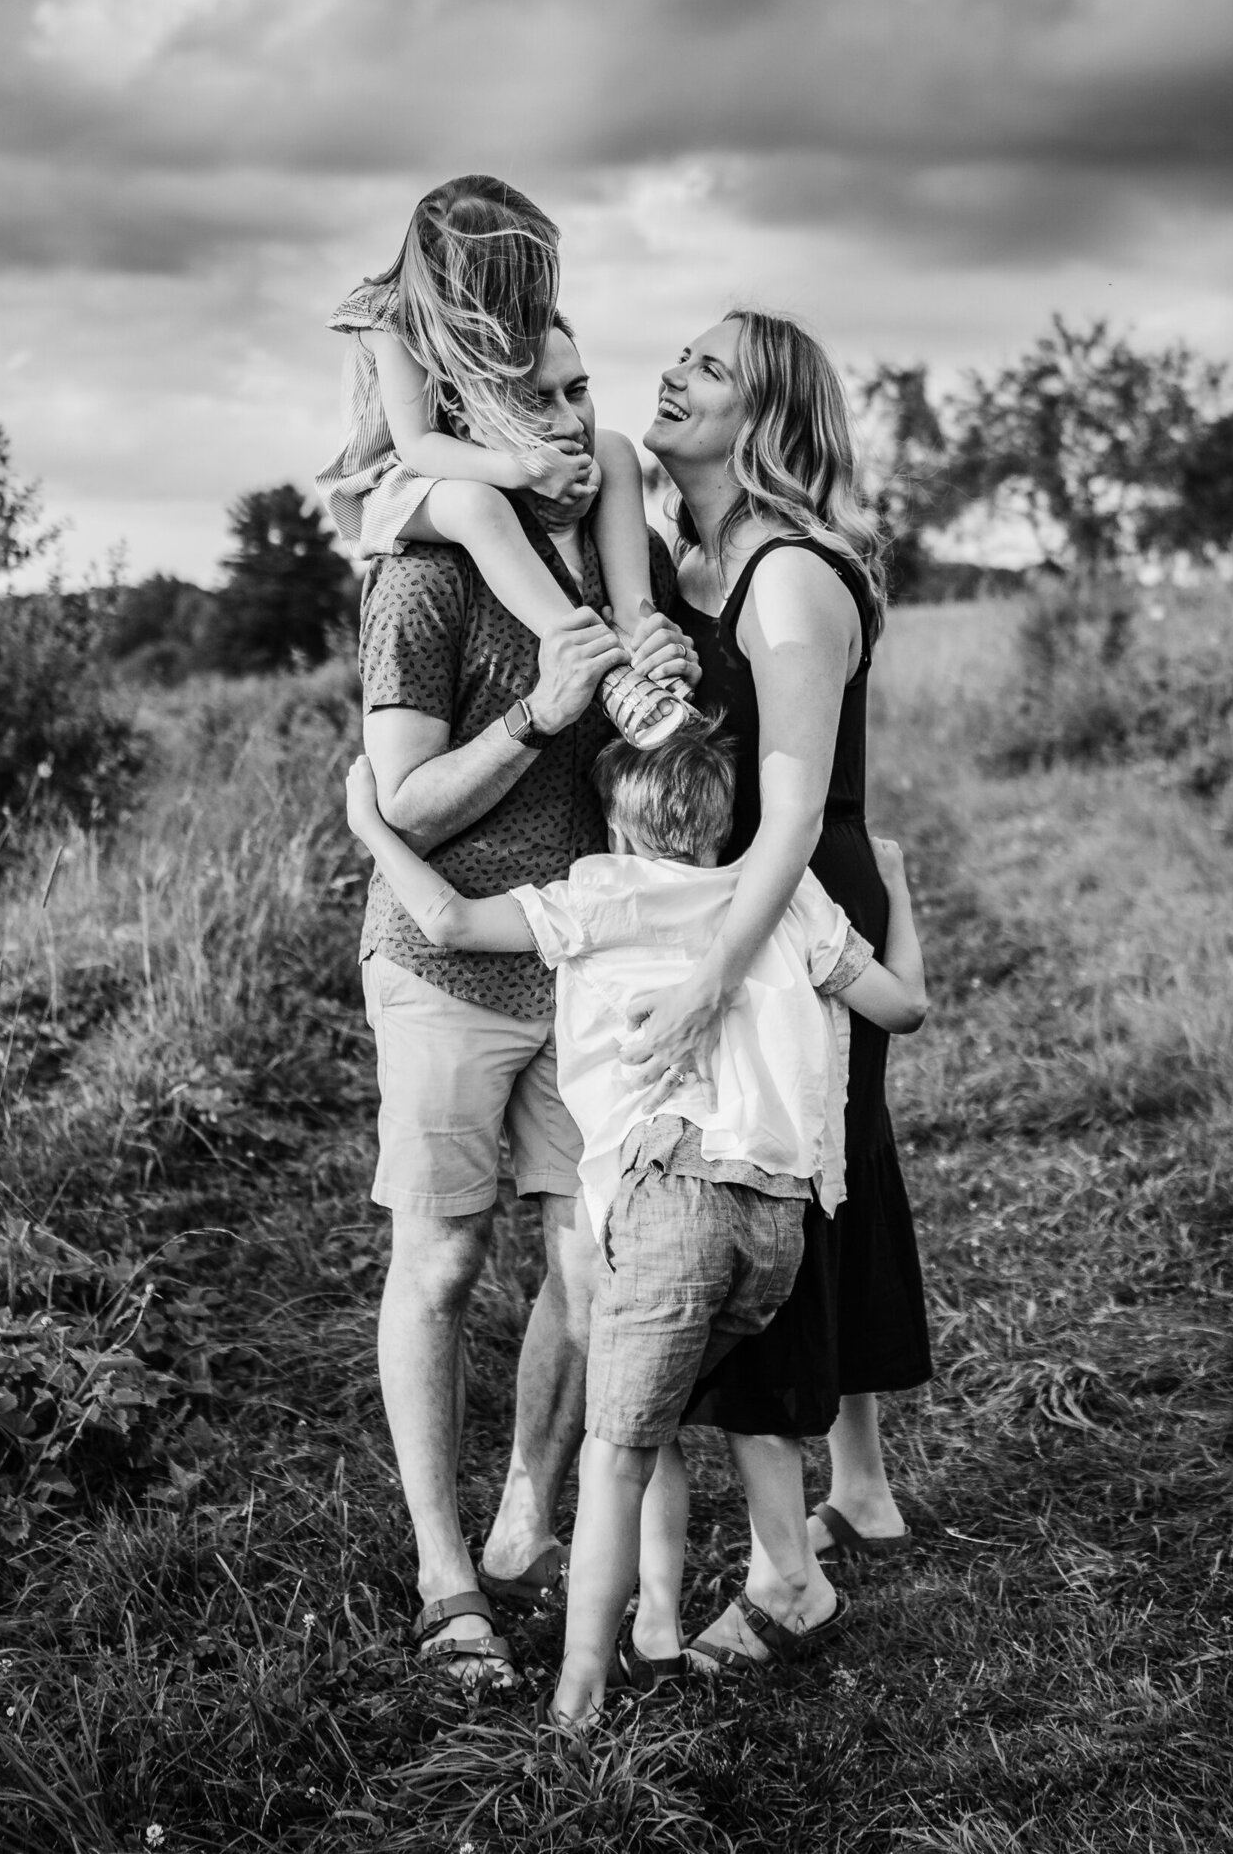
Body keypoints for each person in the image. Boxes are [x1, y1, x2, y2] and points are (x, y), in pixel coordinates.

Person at [345, 722, 928, 1727]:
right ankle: (674, 1620)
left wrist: (369, 820)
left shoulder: (598, 892)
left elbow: (441, 920)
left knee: (618, 1449)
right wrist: (896, 882)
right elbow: (903, 1006)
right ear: (721, 818)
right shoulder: (784, 895)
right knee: (717, 1409)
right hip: (778, 1218)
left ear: (614, 823)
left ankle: (579, 1691)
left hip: (667, 1205)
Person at [353, 306, 694, 1685]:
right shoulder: (424, 579)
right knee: (438, 1259)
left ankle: (526, 1504)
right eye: (538, 397)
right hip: (442, 967)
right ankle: (448, 1579)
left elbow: (655, 693)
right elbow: (403, 806)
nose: (570, 416)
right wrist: (542, 714)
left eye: (581, 387)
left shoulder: (599, 521)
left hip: (582, 964)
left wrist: (652, 660)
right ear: (475, 414)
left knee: (586, 1254)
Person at [625, 308, 934, 1671]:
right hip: (747, 907)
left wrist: (706, 982)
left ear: (764, 417)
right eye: (676, 353)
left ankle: (784, 1561)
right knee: (837, 1172)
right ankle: (857, 1478)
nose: (672, 371)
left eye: (708, 364)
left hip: (790, 906)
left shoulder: (790, 580)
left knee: (777, 1179)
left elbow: (795, 817)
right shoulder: (681, 559)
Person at [317, 174, 688, 747]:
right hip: (393, 485)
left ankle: (634, 624)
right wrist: (526, 468)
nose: (526, 305)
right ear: (469, 285)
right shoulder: (391, 323)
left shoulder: (487, 325)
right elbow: (418, 447)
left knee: (612, 446)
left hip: (474, 456)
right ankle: (582, 648)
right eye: (516, 287)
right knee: (477, 506)